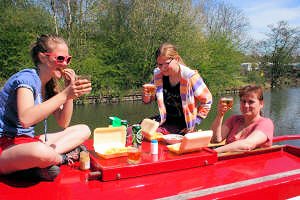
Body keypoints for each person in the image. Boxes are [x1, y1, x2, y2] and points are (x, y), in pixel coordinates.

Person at [0, 34, 92, 181]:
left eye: (68, 59)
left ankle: (39, 165)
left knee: (84, 130)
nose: (65, 64)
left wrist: (69, 94)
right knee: (39, 151)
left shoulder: (49, 85)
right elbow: (26, 119)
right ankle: (61, 158)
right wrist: (65, 94)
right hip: (5, 146)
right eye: (60, 58)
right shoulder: (27, 79)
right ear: (43, 57)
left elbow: (64, 123)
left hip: (25, 141)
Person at [143, 43, 212, 135]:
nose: (163, 68)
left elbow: (207, 101)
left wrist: (196, 121)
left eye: (166, 64)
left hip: (183, 125)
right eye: (160, 64)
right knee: (135, 130)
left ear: (177, 59)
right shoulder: (158, 76)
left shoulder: (190, 77)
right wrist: (146, 95)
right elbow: (147, 101)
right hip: (164, 120)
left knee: (151, 134)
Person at [211, 85, 274, 153]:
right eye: (243, 101)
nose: (246, 105)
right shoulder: (234, 119)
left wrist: (214, 152)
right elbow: (216, 139)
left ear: (261, 104)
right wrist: (220, 114)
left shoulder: (266, 123)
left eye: (251, 102)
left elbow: (247, 145)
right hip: (229, 162)